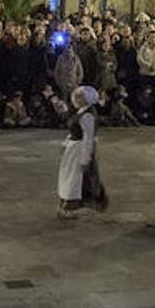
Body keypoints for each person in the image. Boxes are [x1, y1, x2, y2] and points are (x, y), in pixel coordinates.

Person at [56, 85, 107, 219]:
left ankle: (69, 207)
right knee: (69, 177)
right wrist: (66, 143)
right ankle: (65, 205)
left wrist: (85, 158)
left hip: (79, 150)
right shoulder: (81, 112)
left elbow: (88, 137)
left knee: (75, 179)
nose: (76, 99)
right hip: (73, 149)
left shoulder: (88, 115)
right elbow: (74, 131)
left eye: (80, 96)